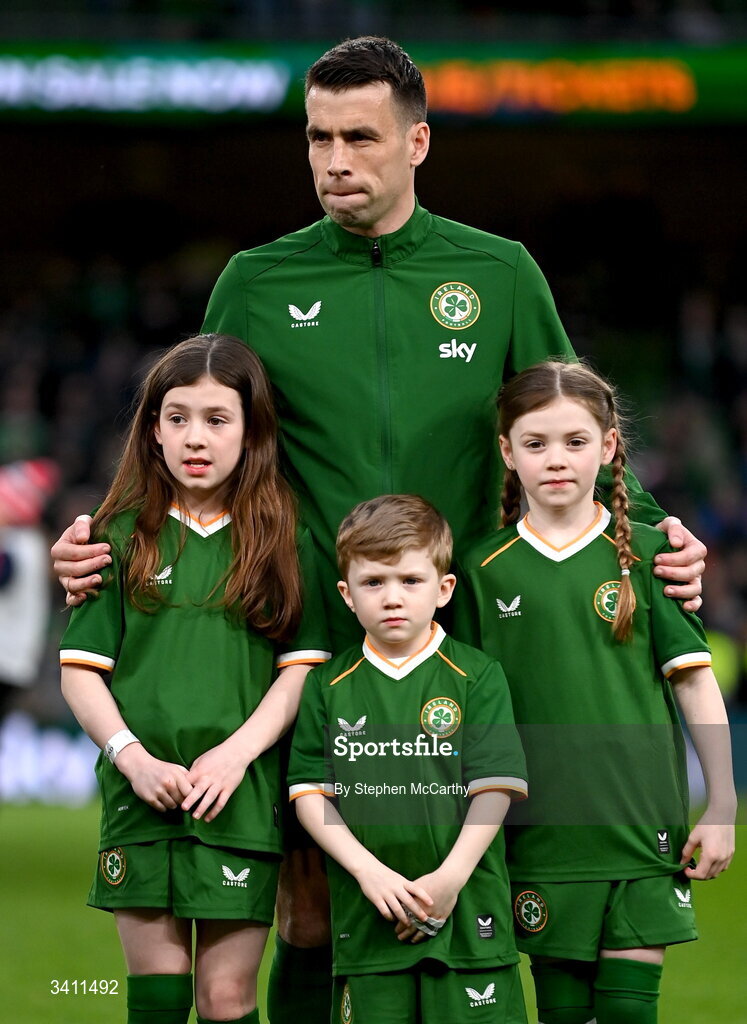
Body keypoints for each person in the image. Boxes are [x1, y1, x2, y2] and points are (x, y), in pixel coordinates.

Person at [50, 35, 707, 1024]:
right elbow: (193, 418)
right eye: (317, 137)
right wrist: (101, 532)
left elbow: (567, 424)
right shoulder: (257, 280)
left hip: (475, 636)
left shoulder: (498, 272)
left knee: (502, 896)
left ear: (420, 142)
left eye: (360, 136)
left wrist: (654, 538)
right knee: (313, 915)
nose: (334, 160)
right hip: (312, 641)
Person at [59, 334, 330, 1024]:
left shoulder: (283, 534)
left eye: (217, 419)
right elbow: (80, 673)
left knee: (226, 997)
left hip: (238, 794)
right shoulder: (117, 534)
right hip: (140, 793)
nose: (195, 437)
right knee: (158, 991)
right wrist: (133, 758)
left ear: (251, 431)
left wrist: (237, 755)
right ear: (152, 431)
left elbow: (300, 669)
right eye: (177, 418)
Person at [455, 360, 736, 1024]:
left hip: (640, 831)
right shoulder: (479, 569)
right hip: (539, 838)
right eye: (535, 443)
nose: (556, 460)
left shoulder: (646, 555)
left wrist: (721, 803)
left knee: (629, 1014)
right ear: (506, 452)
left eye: (575, 442)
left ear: (607, 447)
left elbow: (695, 682)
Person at [289, 494, 528, 1024]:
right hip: (369, 915)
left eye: (410, 581)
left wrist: (449, 879)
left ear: (444, 589)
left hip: (467, 914)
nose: (392, 597)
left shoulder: (477, 674)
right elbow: (310, 794)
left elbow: (495, 787)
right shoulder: (327, 685)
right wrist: (368, 873)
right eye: (374, 583)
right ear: (347, 595)